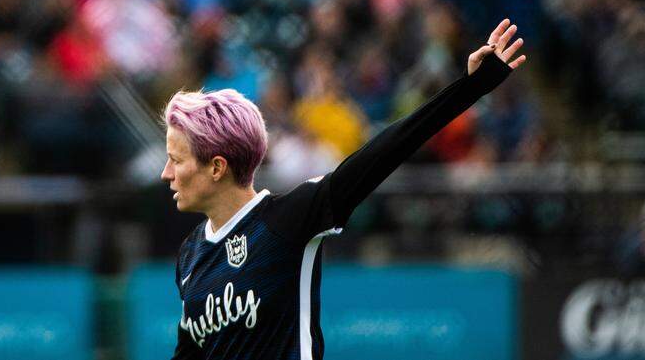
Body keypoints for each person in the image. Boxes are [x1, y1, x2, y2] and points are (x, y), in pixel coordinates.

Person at [161, 18, 525, 359]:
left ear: (217, 168)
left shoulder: (287, 220)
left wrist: (469, 87)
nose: (166, 174)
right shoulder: (191, 255)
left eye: (176, 160)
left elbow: (386, 150)